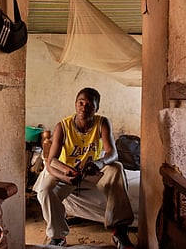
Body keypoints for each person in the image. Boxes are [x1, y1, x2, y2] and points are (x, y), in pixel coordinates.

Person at [33, 87, 135, 248]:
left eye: (89, 105)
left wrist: (99, 163)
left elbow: (112, 153)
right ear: (75, 104)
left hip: (91, 171)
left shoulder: (102, 122)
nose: (84, 108)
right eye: (81, 103)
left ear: (96, 108)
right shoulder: (63, 126)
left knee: (116, 168)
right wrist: (65, 176)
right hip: (68, 170)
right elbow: (51, 161)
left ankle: (119, 231)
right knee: (45, 190)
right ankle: (58, 236)